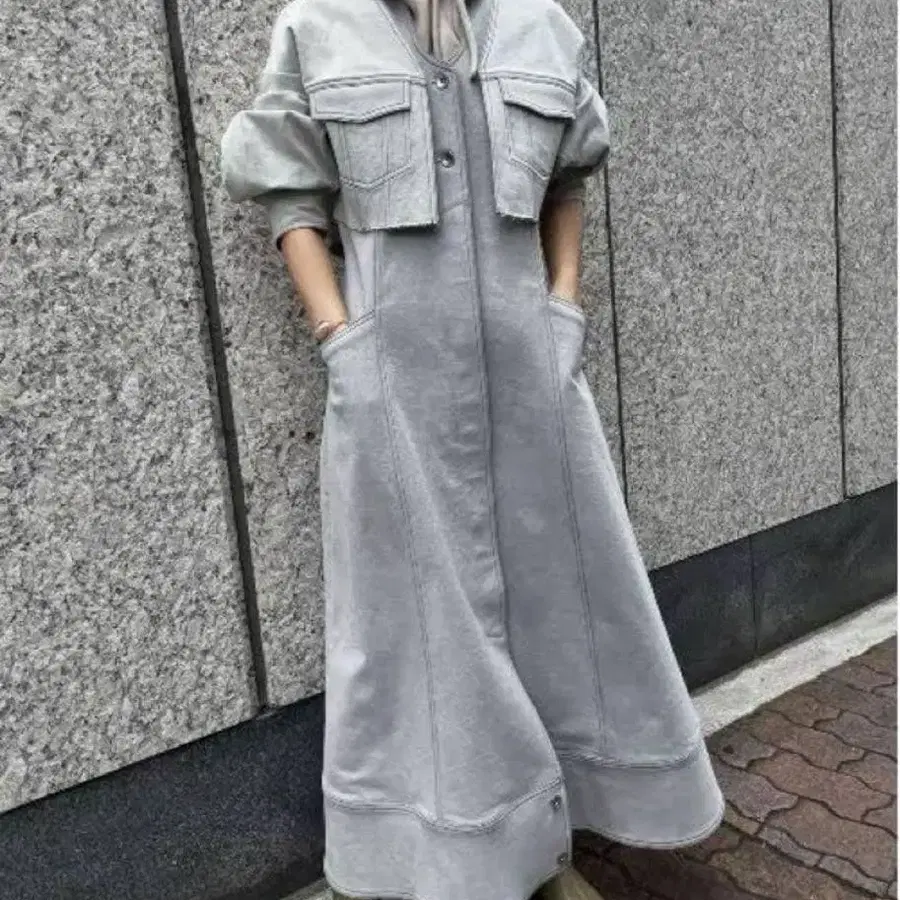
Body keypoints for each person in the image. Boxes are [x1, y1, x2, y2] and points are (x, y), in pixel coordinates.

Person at [219, 0, 726, 898]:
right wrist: (342, 340)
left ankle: (552, 848)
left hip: (533, 379)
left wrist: (562, 307)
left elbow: (568, 177)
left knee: (563, 600)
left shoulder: (542, 26)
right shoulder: (321, 25)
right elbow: (290, 196)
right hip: (394, 388)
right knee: (418, 628)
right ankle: (466, 859)